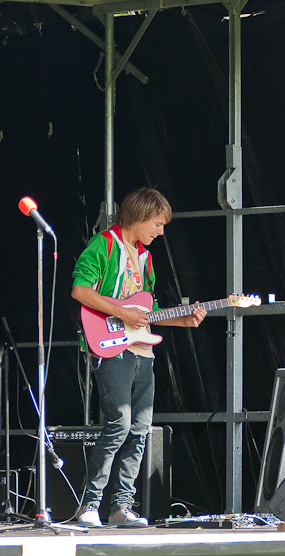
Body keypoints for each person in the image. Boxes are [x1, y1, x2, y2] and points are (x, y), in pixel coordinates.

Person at [72, 187, 205, 528]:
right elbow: (80, 290)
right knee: (119, 424)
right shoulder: (103, 245)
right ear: (140, 216)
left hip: (143, 353)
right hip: (112, 348)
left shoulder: (145, 258)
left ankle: (121, 507)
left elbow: (149, 312)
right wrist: (122, 312)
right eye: (157, 224)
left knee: (140, 429)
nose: (160, 231)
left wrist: (184, 320)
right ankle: (90, 504)